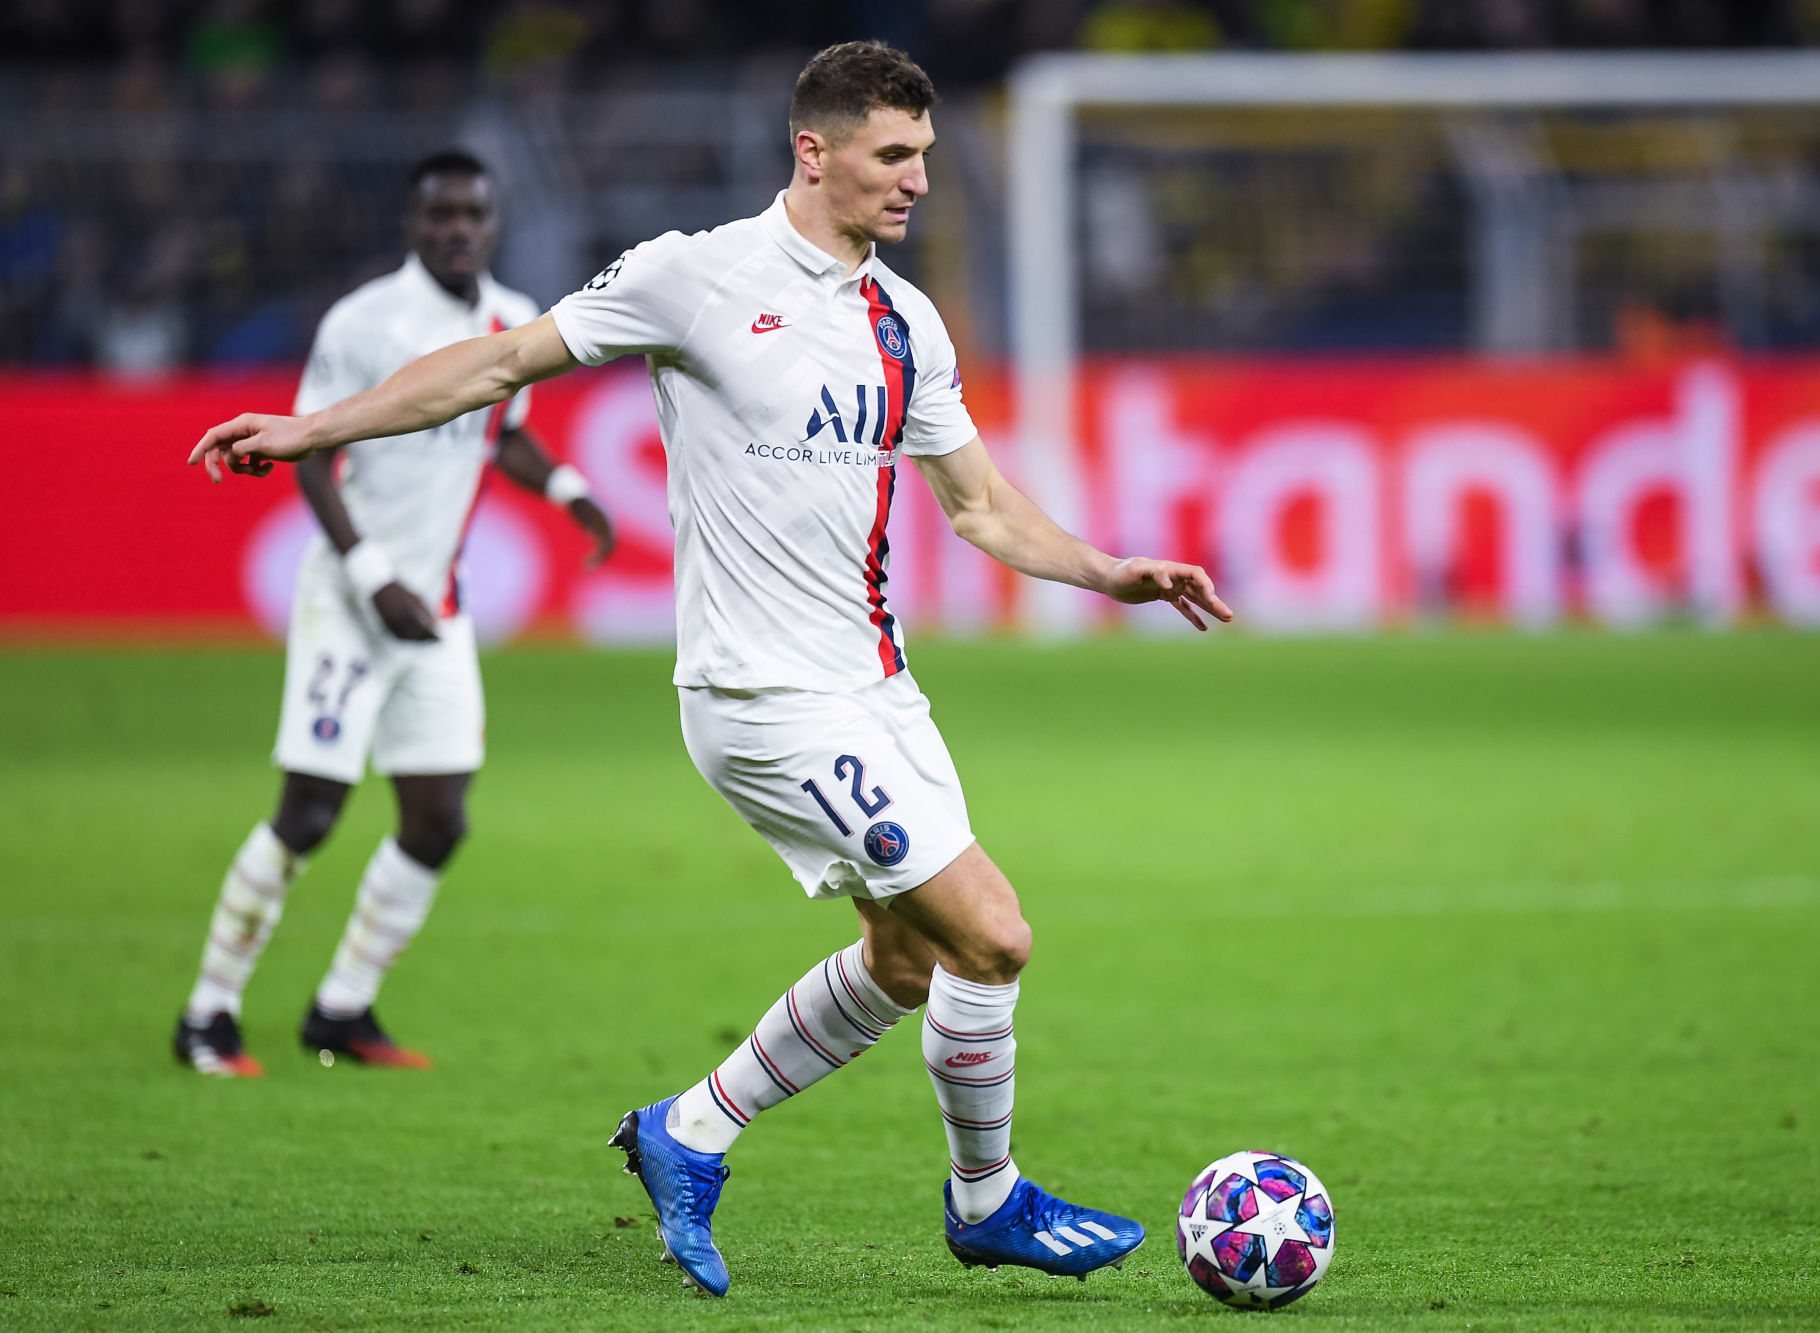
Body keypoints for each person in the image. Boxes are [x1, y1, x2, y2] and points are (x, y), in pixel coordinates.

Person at [186, 43, 1229, 1293]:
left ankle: (689, 1130)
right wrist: (315, 427)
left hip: (879, 692)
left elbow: (984, 507)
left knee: (906, 962)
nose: (916, 183)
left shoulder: (906, 319)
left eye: (926, 158)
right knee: (993, 938)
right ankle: (985, 1197)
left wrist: (1108, 569)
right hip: (758, 700)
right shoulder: (697, 276)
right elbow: (498, 362)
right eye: (893, 156)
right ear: (814, 150)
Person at [174, 149, 616, 1077]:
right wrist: (373, 574)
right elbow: (307, 453)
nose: (457, 229)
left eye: (472, 215)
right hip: (351, 601)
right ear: (412, 223)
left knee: (438, 819)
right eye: (440, 214)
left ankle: (340, 1007)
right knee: (310, 811)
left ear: (491, 223)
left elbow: (505, 431)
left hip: (437, 608)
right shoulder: (364, 321)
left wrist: (570, 488)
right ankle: (208, 1014)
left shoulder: (506, 318)